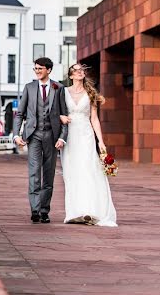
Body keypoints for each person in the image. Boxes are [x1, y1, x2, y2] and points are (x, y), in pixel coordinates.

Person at [60, 64, 118, 227]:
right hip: (69, 136)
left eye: (82, 70)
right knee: (72, 173)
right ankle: (75, 212)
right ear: (70, 75)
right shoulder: (63, 92)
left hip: (85, 135)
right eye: (76, 70)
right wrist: (60, 117)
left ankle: (91, 210)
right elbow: (55, 111)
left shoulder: (90, 93)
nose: (79, 72)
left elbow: (94, 119)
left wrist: (101, 141)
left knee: (89, 170)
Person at [14, 57, 68, 224]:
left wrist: (62, 137)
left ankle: (45, 210)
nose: (37, 71)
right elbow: (20, 114)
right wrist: (16, 134)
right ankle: (35, 210)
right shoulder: (29, 88)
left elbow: (64, 116)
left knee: (49, 175)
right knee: (34, 173)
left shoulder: (58, 88)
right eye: (35, 69)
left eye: (40, 69)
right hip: (34, 136)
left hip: (52, 136)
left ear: (49, 70)